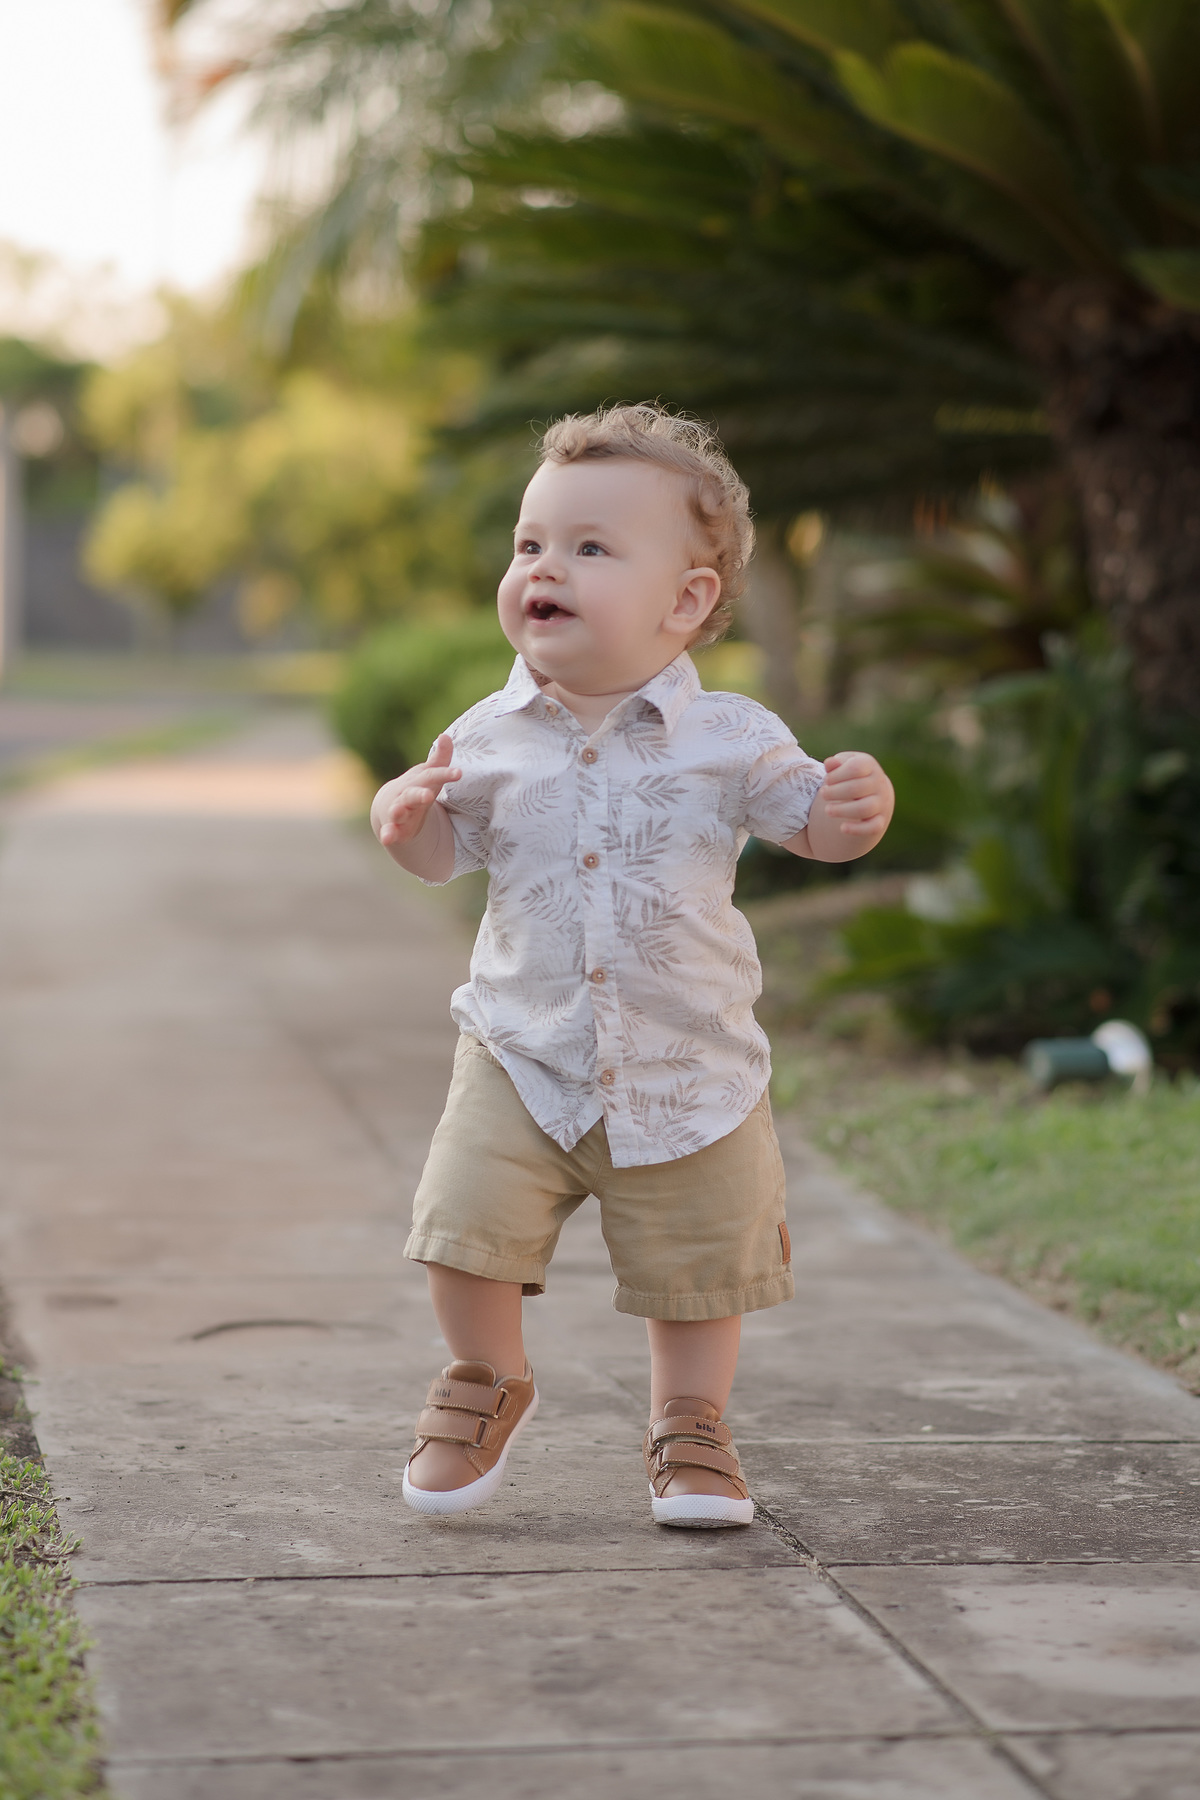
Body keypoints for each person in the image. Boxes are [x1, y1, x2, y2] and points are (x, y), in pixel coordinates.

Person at [371, 403, 894, 1527]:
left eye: (590, 547)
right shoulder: (490, 733)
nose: (544, 567)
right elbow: (445, 854)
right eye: (530, 544)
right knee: (462, 1227)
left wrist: (852, 813)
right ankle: (486, 1376)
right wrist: (407, 822)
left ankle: (689, 1424)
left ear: (686, 600)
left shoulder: (733, 736)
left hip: (687, 1065)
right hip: (521, 1050)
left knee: (698, 1268)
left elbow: (808, 823)